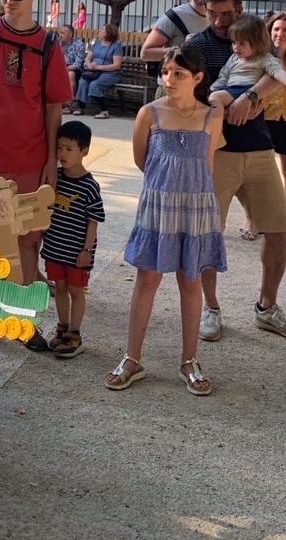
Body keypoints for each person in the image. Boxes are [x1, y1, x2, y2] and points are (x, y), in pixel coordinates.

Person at [106, 45, 226, 396]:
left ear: (198, 78)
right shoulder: (149, 113)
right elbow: (143, 161)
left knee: (191, 281)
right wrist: (167, 187)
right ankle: (132, 358)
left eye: (179, 74)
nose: (169, 79)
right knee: (147, 279)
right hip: (158, 207)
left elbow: (207, 165)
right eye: (165, 72)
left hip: (196, 208)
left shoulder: (211, 116)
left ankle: (189, 360)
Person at [0, 0, 72, 351]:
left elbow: (53, 107)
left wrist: (51, 160)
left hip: (31, 160)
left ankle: (23, 321)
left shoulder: (49, 45)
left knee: (27, 241)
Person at [189, 0, 286, 341]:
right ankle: (211, 308)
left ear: (240, 9)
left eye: (226, 14)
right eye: (212, 13)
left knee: (280, 231)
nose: (218, 20)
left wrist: (251, 97)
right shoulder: (198, 44)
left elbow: (276, 72)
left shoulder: (255, 35)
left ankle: (266, 307)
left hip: (259, 148)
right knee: (208, 233)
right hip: (219, 153)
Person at [41, 121, 104, 359]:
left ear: (84, 151)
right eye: (59, 148)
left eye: (69, 149)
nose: (63, 154)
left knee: (76, 291)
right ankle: (62, 326)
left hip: (77, 251)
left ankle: (75, 333)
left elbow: (94, 221)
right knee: (60, 288)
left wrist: (87, 250)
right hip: (54, 247)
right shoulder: (54, 177)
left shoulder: (90, 186)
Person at [209, 15, 286, 109]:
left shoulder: (264, 58)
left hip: (246, 89)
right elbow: (224, 76)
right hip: (230, 89)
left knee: (214, 98)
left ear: (257, 42)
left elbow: (277, 72)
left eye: (242, 43)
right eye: (234, 42)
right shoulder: (234, 58)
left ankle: (215, 118)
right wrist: (212, 89)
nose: (236, 47)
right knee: (213, 97)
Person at [140, 0, 208, 100]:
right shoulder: (174, 16)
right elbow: (145, 53)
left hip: (203, 91)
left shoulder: (221, 16)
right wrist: (184, 48)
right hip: (172, 89)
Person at [74, 23, 123, 119]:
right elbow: (88, 57)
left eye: (102, 29)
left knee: (94, 85)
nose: (99, 31)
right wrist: (88, 64)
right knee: (83, 82)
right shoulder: (96, 43)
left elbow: (116, 65)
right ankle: (81, 108)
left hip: (111, 73)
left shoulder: (116, 46)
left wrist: (99, 67)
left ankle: (104, 111)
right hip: (94, 71)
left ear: (108, 33)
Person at [263, 12, 286, 202]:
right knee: (260, 174)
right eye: (276, 29)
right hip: (263, 118)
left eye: (285, 30)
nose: (280, 34)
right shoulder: (261, 57)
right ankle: (254, 217)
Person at [59, 24, 85, 113]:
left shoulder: (79, 44)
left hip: (75, 69)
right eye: (60, 33)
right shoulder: (58, 43)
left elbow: (77, 64)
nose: (60, 35)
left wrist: (64, 69)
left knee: (70, 74)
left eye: (62, 33)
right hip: (61, 68)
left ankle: (68, 104)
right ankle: (55, 103)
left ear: (70, 35)